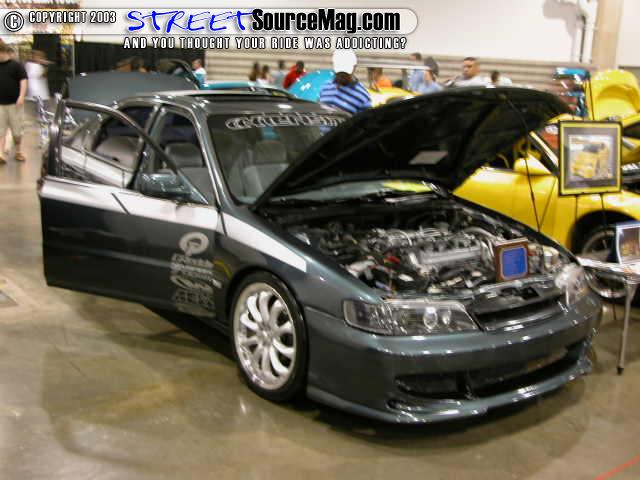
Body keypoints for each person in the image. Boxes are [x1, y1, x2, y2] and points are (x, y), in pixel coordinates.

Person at [319, 50, 371, 115]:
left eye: (345, 73)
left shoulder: (363, 96)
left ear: (354, 67)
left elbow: (366, 120)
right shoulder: (326, 86)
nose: (342, 75)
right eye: (340, 72)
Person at [0, 44, 27, 164]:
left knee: (17, 132)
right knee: (0, 130)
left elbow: (23, 81)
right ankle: (1, 154)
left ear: (3, 52)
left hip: (15, 104)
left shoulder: (16, 66)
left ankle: (18, 151)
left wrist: (21, 96)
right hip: (0, 105)